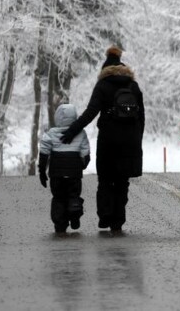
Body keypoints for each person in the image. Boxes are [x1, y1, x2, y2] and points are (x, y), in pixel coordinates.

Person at [62, 45, 145, 234]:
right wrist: (137, 138)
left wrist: (71, 131)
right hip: (129, 142)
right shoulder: (133, 86)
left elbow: (90, 113)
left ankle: (105, 216)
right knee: (123, 182)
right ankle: (118, 221)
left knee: (105, 180)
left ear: (105, 69)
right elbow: (142, 116)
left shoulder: (103, 85)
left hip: (108, 141)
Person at [37, 102, 90, 234]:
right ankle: (75, 215)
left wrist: (42, 171)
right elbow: (86, 152)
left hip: (56, 174)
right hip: (74, 174)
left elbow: (44, 152)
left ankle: (60, 225)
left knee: (59, 198)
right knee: (74, 195)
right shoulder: (80, 133)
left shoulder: (50, 134)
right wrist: (82, 165)